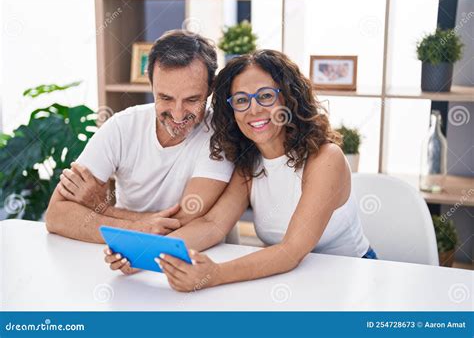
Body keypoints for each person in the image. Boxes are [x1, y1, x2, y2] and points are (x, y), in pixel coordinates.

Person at [139, 49, 377, 291]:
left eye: (265, 96)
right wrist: (144, 254)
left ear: (288, 98)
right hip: (292, 280)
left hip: (350, 279)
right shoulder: (248, 162)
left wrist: (214, 274)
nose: (254, 110)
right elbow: (213, 224)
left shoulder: (326, 159)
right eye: (241, 100)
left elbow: (291, 250)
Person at [45, 30, 234, 246]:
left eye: (192, 99)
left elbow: (181, 225)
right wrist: (137, 229)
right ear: (150, 84)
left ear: (210, 89)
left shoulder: (219, 135)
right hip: (125, 253)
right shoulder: (122, 126)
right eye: (165, 98)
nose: (178, 114)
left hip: (196, 256)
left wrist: (104, 210)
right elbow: (57, 215)